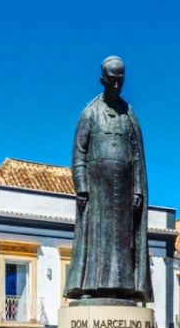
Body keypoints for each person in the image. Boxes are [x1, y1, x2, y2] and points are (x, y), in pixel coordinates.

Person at [64, 55, 152, 303]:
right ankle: (93, 285)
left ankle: (123, 285)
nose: (116, 86)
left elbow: (136, 155)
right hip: (96, 192)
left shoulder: (129, 114)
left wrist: (137, 189)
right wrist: (81, 187)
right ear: (102, 79)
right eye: (112, 80)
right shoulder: (89, 113)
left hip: (124, 193)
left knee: (123, 241)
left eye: (120, 81)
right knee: (97, 239)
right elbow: (78, 152)